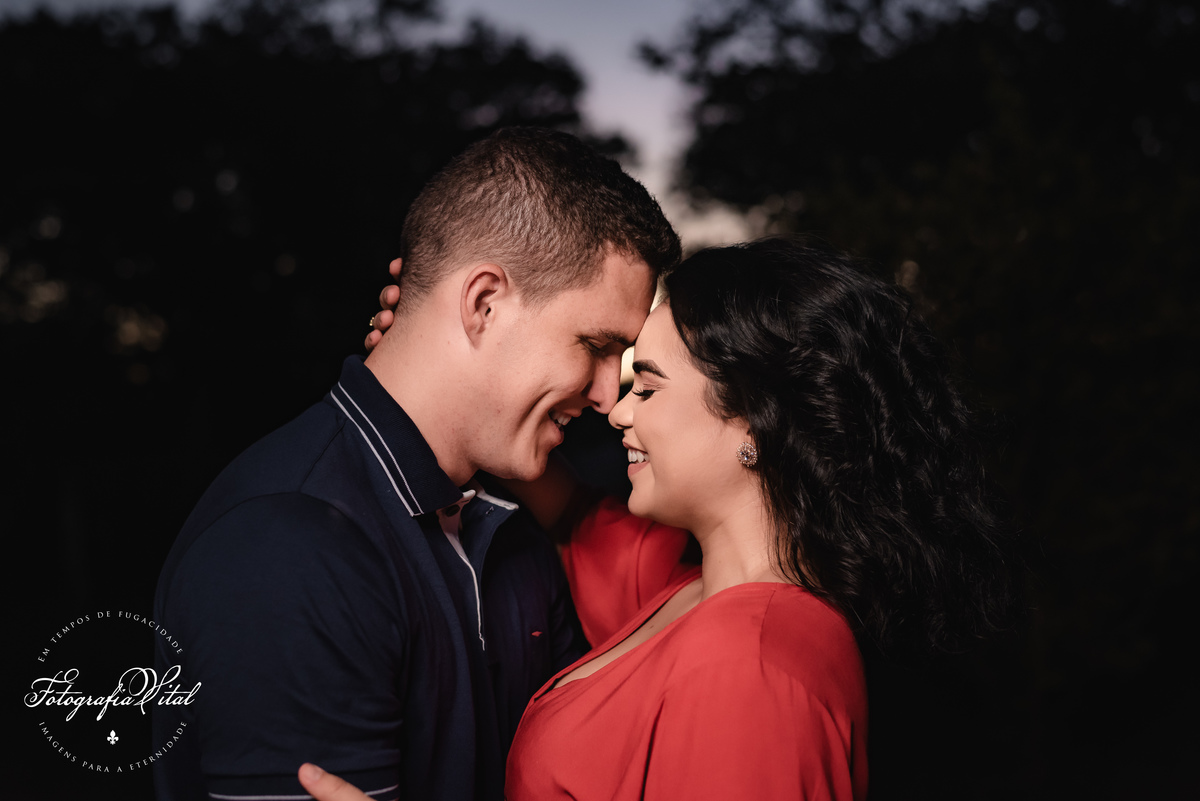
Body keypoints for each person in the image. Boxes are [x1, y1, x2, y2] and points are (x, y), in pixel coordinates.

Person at [307, 237, 1020, 800]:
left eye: (645, 386)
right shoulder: (690, 589)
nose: (617, 411)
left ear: (754, 423)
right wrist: (452, 372)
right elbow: (577, 516)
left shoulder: (750, 673)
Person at [152, 127, 681, 801]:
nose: (610, 394)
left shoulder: (514, 536)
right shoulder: (288, 547)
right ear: (484, 303)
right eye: (596, 344)